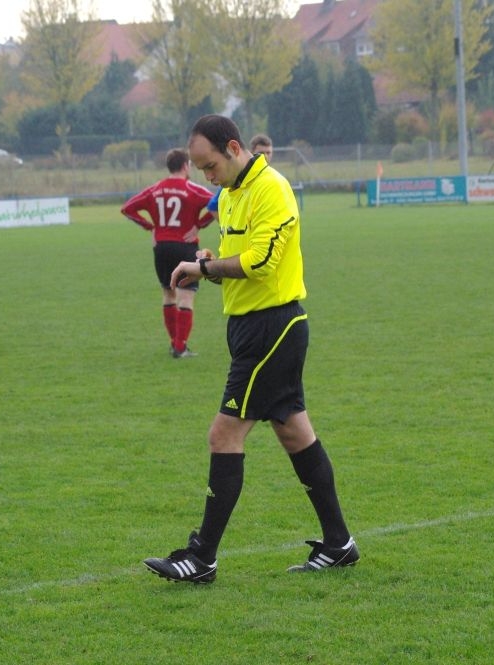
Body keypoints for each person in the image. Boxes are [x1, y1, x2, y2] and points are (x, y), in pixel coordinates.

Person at [142, 115, 358, 584]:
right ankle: (339, 543)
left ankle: (201, 557)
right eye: (201, 168)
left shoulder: (271, 189)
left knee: (223, 435)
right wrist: (209, 263)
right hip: (247, 327)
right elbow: (235, 261)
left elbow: (261, 262)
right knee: (295, 434)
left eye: (211, 165)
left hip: (272, 328)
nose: (207, 177)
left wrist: (204, 269)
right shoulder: (230, 195)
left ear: (234, 149)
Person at [121, 148, 215, 358]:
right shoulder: (193, 189)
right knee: (186, 297)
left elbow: (127, 209)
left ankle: (174, 343)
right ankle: (180, 347)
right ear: (185, 166)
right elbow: (217, 202)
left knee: (168, 293)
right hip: (185, 246)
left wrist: (151, 228)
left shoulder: (154, 190)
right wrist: (199, 225)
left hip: (162, 248)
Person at [206, 133, 273, 217]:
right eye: (261, 152)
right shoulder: (235, 180)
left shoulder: (273, 178)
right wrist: (227, 223)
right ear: (251, 152)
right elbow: (212, 206)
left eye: (268, 152)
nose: (265, 156)